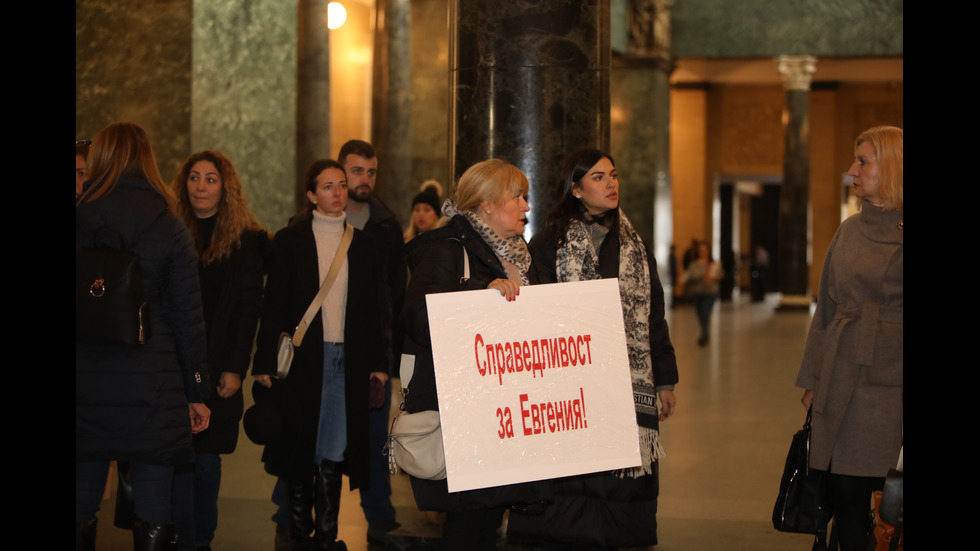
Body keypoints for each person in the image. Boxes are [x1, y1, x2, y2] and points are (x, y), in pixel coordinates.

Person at [513, 147, 679, 549]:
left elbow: (653, 316)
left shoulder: (634, 245)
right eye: (599, 177)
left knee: (620, 476)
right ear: (576, 189)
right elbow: (535, 309)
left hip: (626, 381)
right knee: (574, 475)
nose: (612, 184)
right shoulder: (549, 240)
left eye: (614, 175)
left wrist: (665, 380)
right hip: (569, 382)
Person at [76, 122, 211, 550]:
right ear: (148, 160)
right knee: (154, 501)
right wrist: (196, 391)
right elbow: (187, 319)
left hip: (85, 381)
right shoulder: (170, 228)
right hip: (152, 382)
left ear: (99, 160)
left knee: (80, 495)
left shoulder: (78, 220)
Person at [401, 158, 543, 550]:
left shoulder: (519, 257)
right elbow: (415, 319)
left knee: (487, 517)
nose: (527, 207)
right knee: (471, 522)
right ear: (487, 204)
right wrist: (480, 299)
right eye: (519, 197)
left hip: (507, 410)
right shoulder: (446, 250)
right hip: (466, 410)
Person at [253, 158, 390, 551]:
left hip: (347, 362)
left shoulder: (364, 245)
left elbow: (375, 308)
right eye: (328, 186)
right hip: (302, 362)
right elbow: (273, 305)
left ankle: (327, 538)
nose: (338, 193)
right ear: (312, 195)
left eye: (342, 185)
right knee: (300, 448)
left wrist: (379, 365)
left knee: (334, 451)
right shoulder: (290, 240)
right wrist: (264, 363)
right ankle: (299, 536)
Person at [796, 126, 903, 551]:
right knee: (843, 494)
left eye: (863, 161)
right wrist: (813, 379)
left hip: (890, 385)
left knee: (885, 498)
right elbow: (825, 308)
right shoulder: (848, 230)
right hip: (840, 380)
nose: (851, 170)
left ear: (891, 167)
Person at [170, 150, 271, 551]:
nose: (201, 186)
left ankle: (201, 541)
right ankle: (179, 538)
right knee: (175, 460)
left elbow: (248, 312)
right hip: (174, 364)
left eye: (210, 179)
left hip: (218, 366)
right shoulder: (171, 232)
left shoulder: (246, 242)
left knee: (207, 460)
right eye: (194, 177)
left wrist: (234, 369)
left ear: (225, 188)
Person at [338, 139, 406, 545]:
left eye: (371, 171)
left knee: (374, 439)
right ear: (341, 171)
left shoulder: (386, 225)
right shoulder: (311, 221)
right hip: (321, 346)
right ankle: (294, 520)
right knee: (312, 435)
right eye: (357, 170)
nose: (365, 179)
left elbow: (394, 294)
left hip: (369, 350)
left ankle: (380, 520)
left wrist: (383, 353)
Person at [686, 241, 723, 346]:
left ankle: (704, 335)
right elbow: (690, 276)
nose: (702, 252)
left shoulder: (713, 264)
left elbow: (720, 275)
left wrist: (712, 277)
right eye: (701, 250)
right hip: (698, 292)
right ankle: (704, 332)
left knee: (705, 312)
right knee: (700, 314)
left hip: (710, 292)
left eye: (704, 250)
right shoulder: (694, 264)